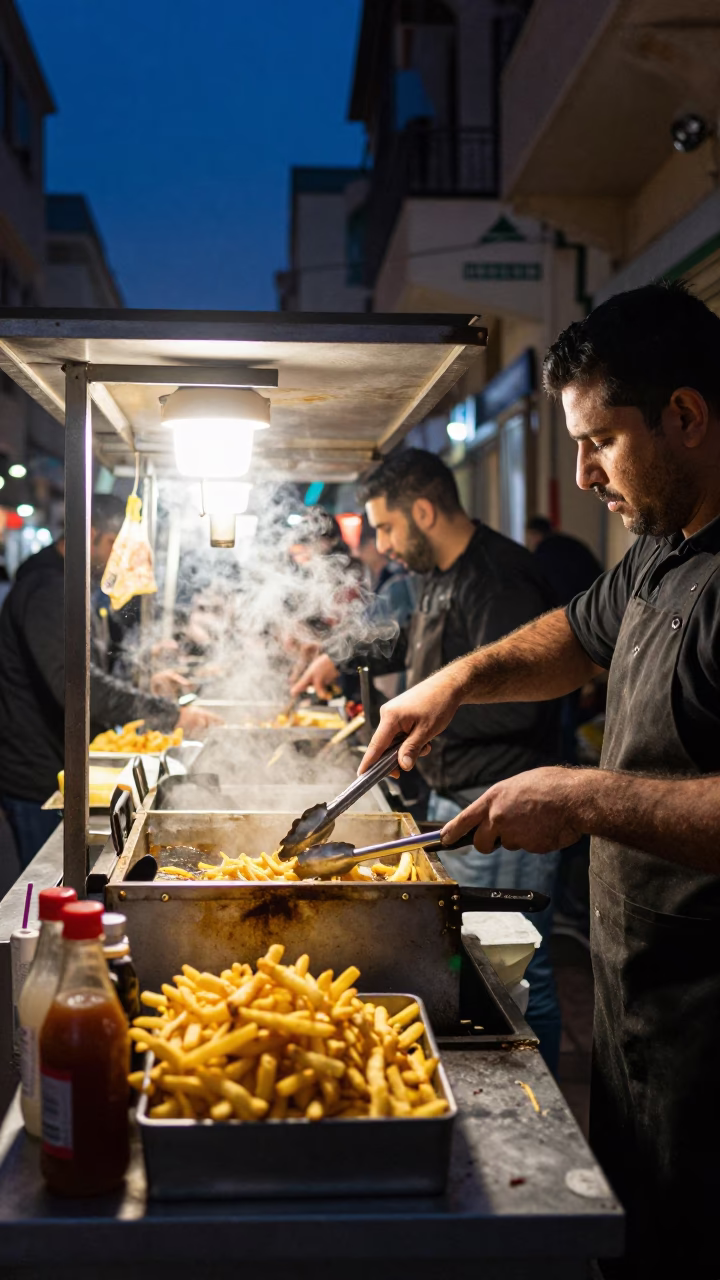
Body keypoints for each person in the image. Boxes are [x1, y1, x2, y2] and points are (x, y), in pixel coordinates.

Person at [357, 280, 720, 1278]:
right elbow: (573, 633)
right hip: (636, 1002)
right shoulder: (659, 552)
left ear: (684, 416)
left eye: (598, 440)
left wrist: (581, 795)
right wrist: (456, 679)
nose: (581, 470)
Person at [292, 450, 563, 1070]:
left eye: (385, 528)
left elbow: (522, 705)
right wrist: (339, 654)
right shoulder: (437, 573)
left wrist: (431, 723)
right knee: (470, 965)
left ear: (423, 511)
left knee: (519, 972)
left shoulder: (500, 578)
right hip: (452, 802)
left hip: (505, 808)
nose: (382, 544)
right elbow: (417, 657)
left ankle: (540, 1090)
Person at [0, 494, 219, 867]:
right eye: (113, 545)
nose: (119, 558)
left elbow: (94, 661)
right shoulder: (47, 590)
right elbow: (78, 688)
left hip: (64, 761)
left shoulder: (76, 583)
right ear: (90, 533)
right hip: (39, 774)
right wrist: (169, 714)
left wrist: (142, 675)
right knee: (43, 890)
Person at [525, 514, 602, 606]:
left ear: (535, 534)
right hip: (596, 596)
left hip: (573, 604)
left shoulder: (544, 552)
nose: (529, 541)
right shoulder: (570, 543)